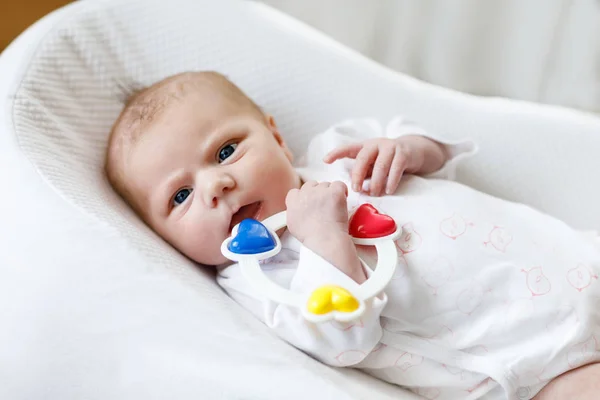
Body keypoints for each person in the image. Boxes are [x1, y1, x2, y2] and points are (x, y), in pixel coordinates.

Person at [105, 71, 600, 399]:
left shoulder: (338, 153)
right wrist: (324, 239)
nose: (217, 186)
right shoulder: (260, 281)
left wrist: (408, 148)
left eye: (226, 151)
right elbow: (343, 342)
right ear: (163, 238)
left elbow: (437, 152)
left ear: (276, 137)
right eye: (180, 196)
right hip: (533, 366)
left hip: (577, 256)